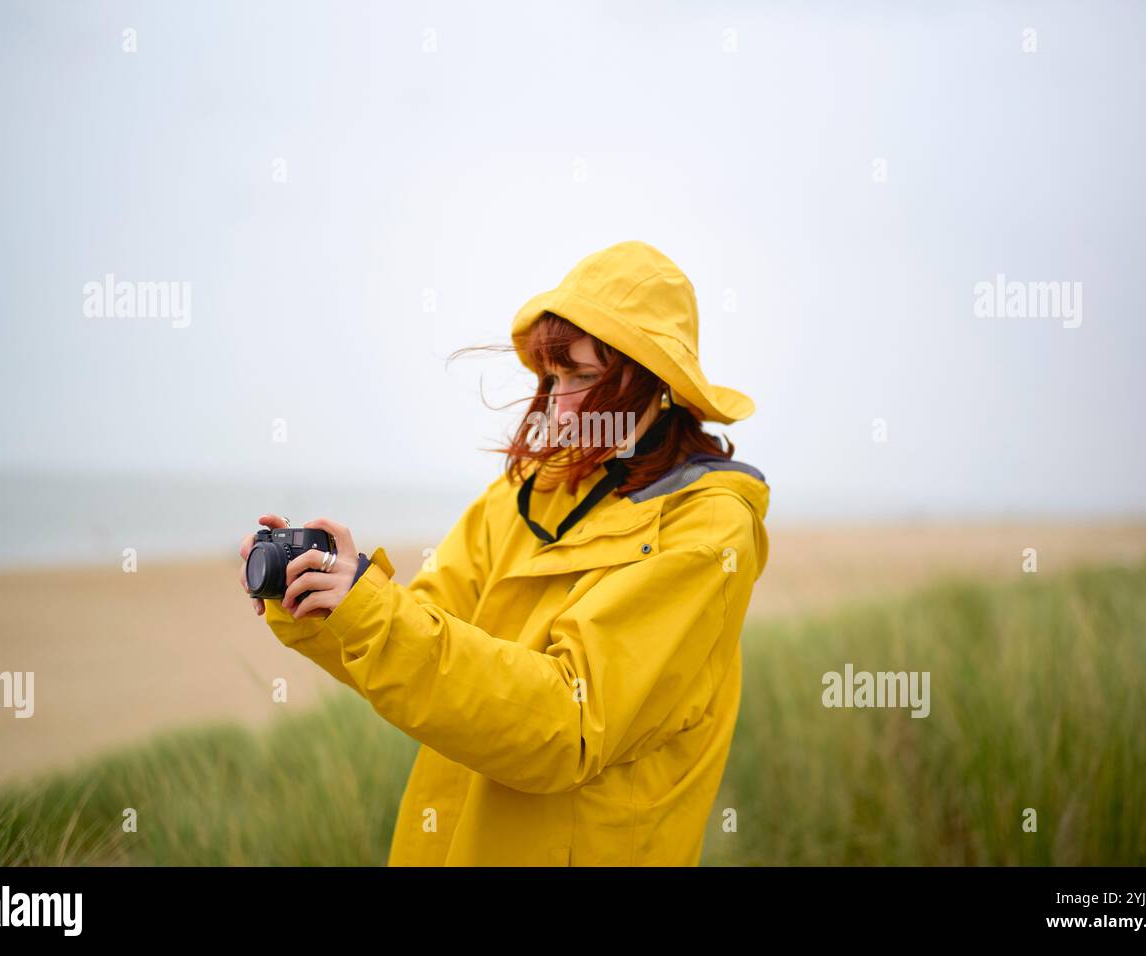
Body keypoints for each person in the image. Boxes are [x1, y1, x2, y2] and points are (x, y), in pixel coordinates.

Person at [237, 240, 769, 866]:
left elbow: (569, 724)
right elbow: (422, 632)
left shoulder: (707, 531)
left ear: (660, 385)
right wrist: (331, 600)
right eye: (555, 376)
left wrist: (377, 615)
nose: (562, 405)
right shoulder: (523, 495)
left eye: (587, 377)